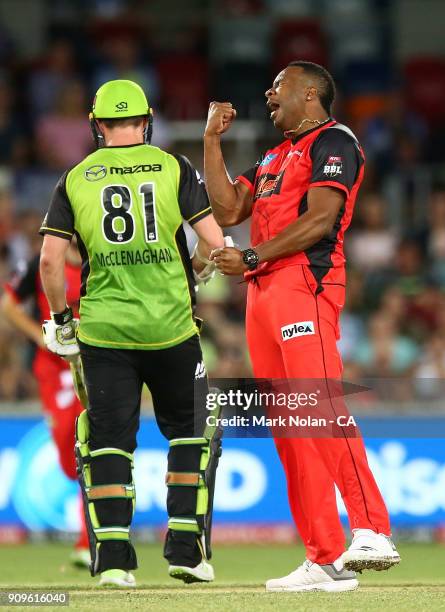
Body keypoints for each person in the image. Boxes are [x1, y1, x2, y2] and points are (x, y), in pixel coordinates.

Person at [204, 61, 400, 593]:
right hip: (263, 292)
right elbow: (226, 210)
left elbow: (319, 219)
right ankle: (325, 558)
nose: (269, 93)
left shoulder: (334, 141)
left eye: (279, 85)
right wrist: (210, 143)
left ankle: (373, 529)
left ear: (310, 92)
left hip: (303, 282)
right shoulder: (272, 156)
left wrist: (251, 255)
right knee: (291, 427)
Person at [38, 80, 225, 588]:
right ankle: (186, 550)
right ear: (147, 122)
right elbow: (214, 242)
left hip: (104, 331)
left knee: (107, 443)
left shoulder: (74, 178)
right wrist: (198, 267)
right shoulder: (174, 168)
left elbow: (51, 261)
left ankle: (115, 563)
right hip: (171, 328)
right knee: (193, 433)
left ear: (97, 126)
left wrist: (61, 322)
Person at [1, 240, 90, 568]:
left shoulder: (99, 256)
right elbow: (7, 305)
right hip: (54, 370)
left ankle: (90, 540)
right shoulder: (40, 263)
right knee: (70, 459)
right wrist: (39, 337)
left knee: (92, 447)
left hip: (96, 363)